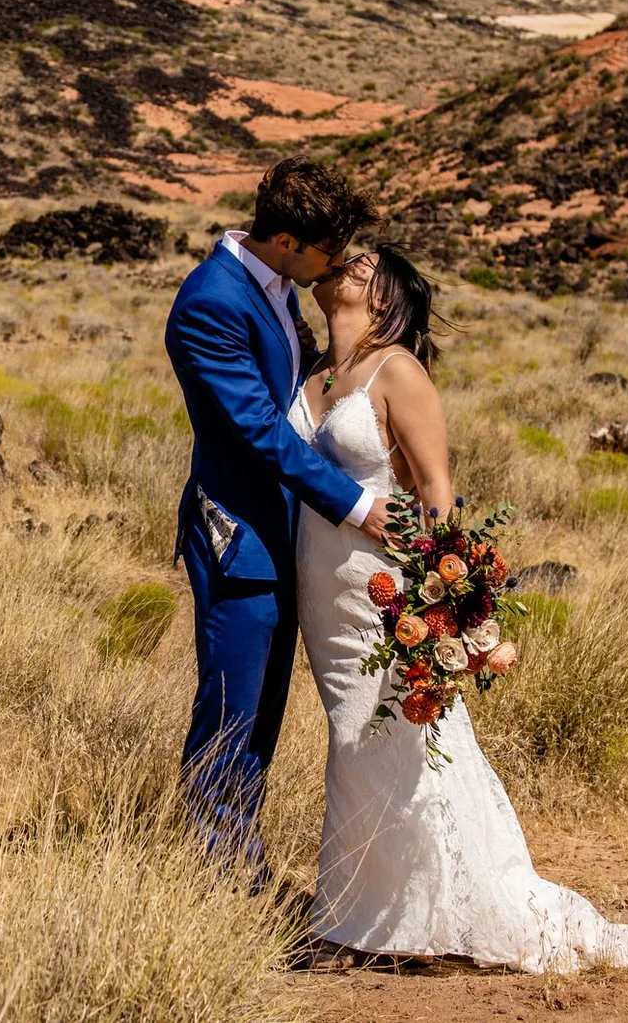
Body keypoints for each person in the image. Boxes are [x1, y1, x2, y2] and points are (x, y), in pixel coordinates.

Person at [289, 243, 628, 971]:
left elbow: (436, 496)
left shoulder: (399, 369)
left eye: (365, 264)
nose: (345, 264)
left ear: (386, 296)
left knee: (391, 736)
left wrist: (439, 607)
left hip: (385, 588)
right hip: (321, 591)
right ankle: (370, 910)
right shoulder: (313, 374)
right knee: (350, 735)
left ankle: (383, 920)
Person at [163, 156, 393, 883]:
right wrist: (360, 506)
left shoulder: (272, 286)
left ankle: (240, 860)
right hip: (239, 534)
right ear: (289, 240)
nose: (339, 264)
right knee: (232, 706)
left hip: (284, 535)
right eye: (330, 251)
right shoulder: (211, 301)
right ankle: (216, 876)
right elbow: (260, 429)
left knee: (263, 712)